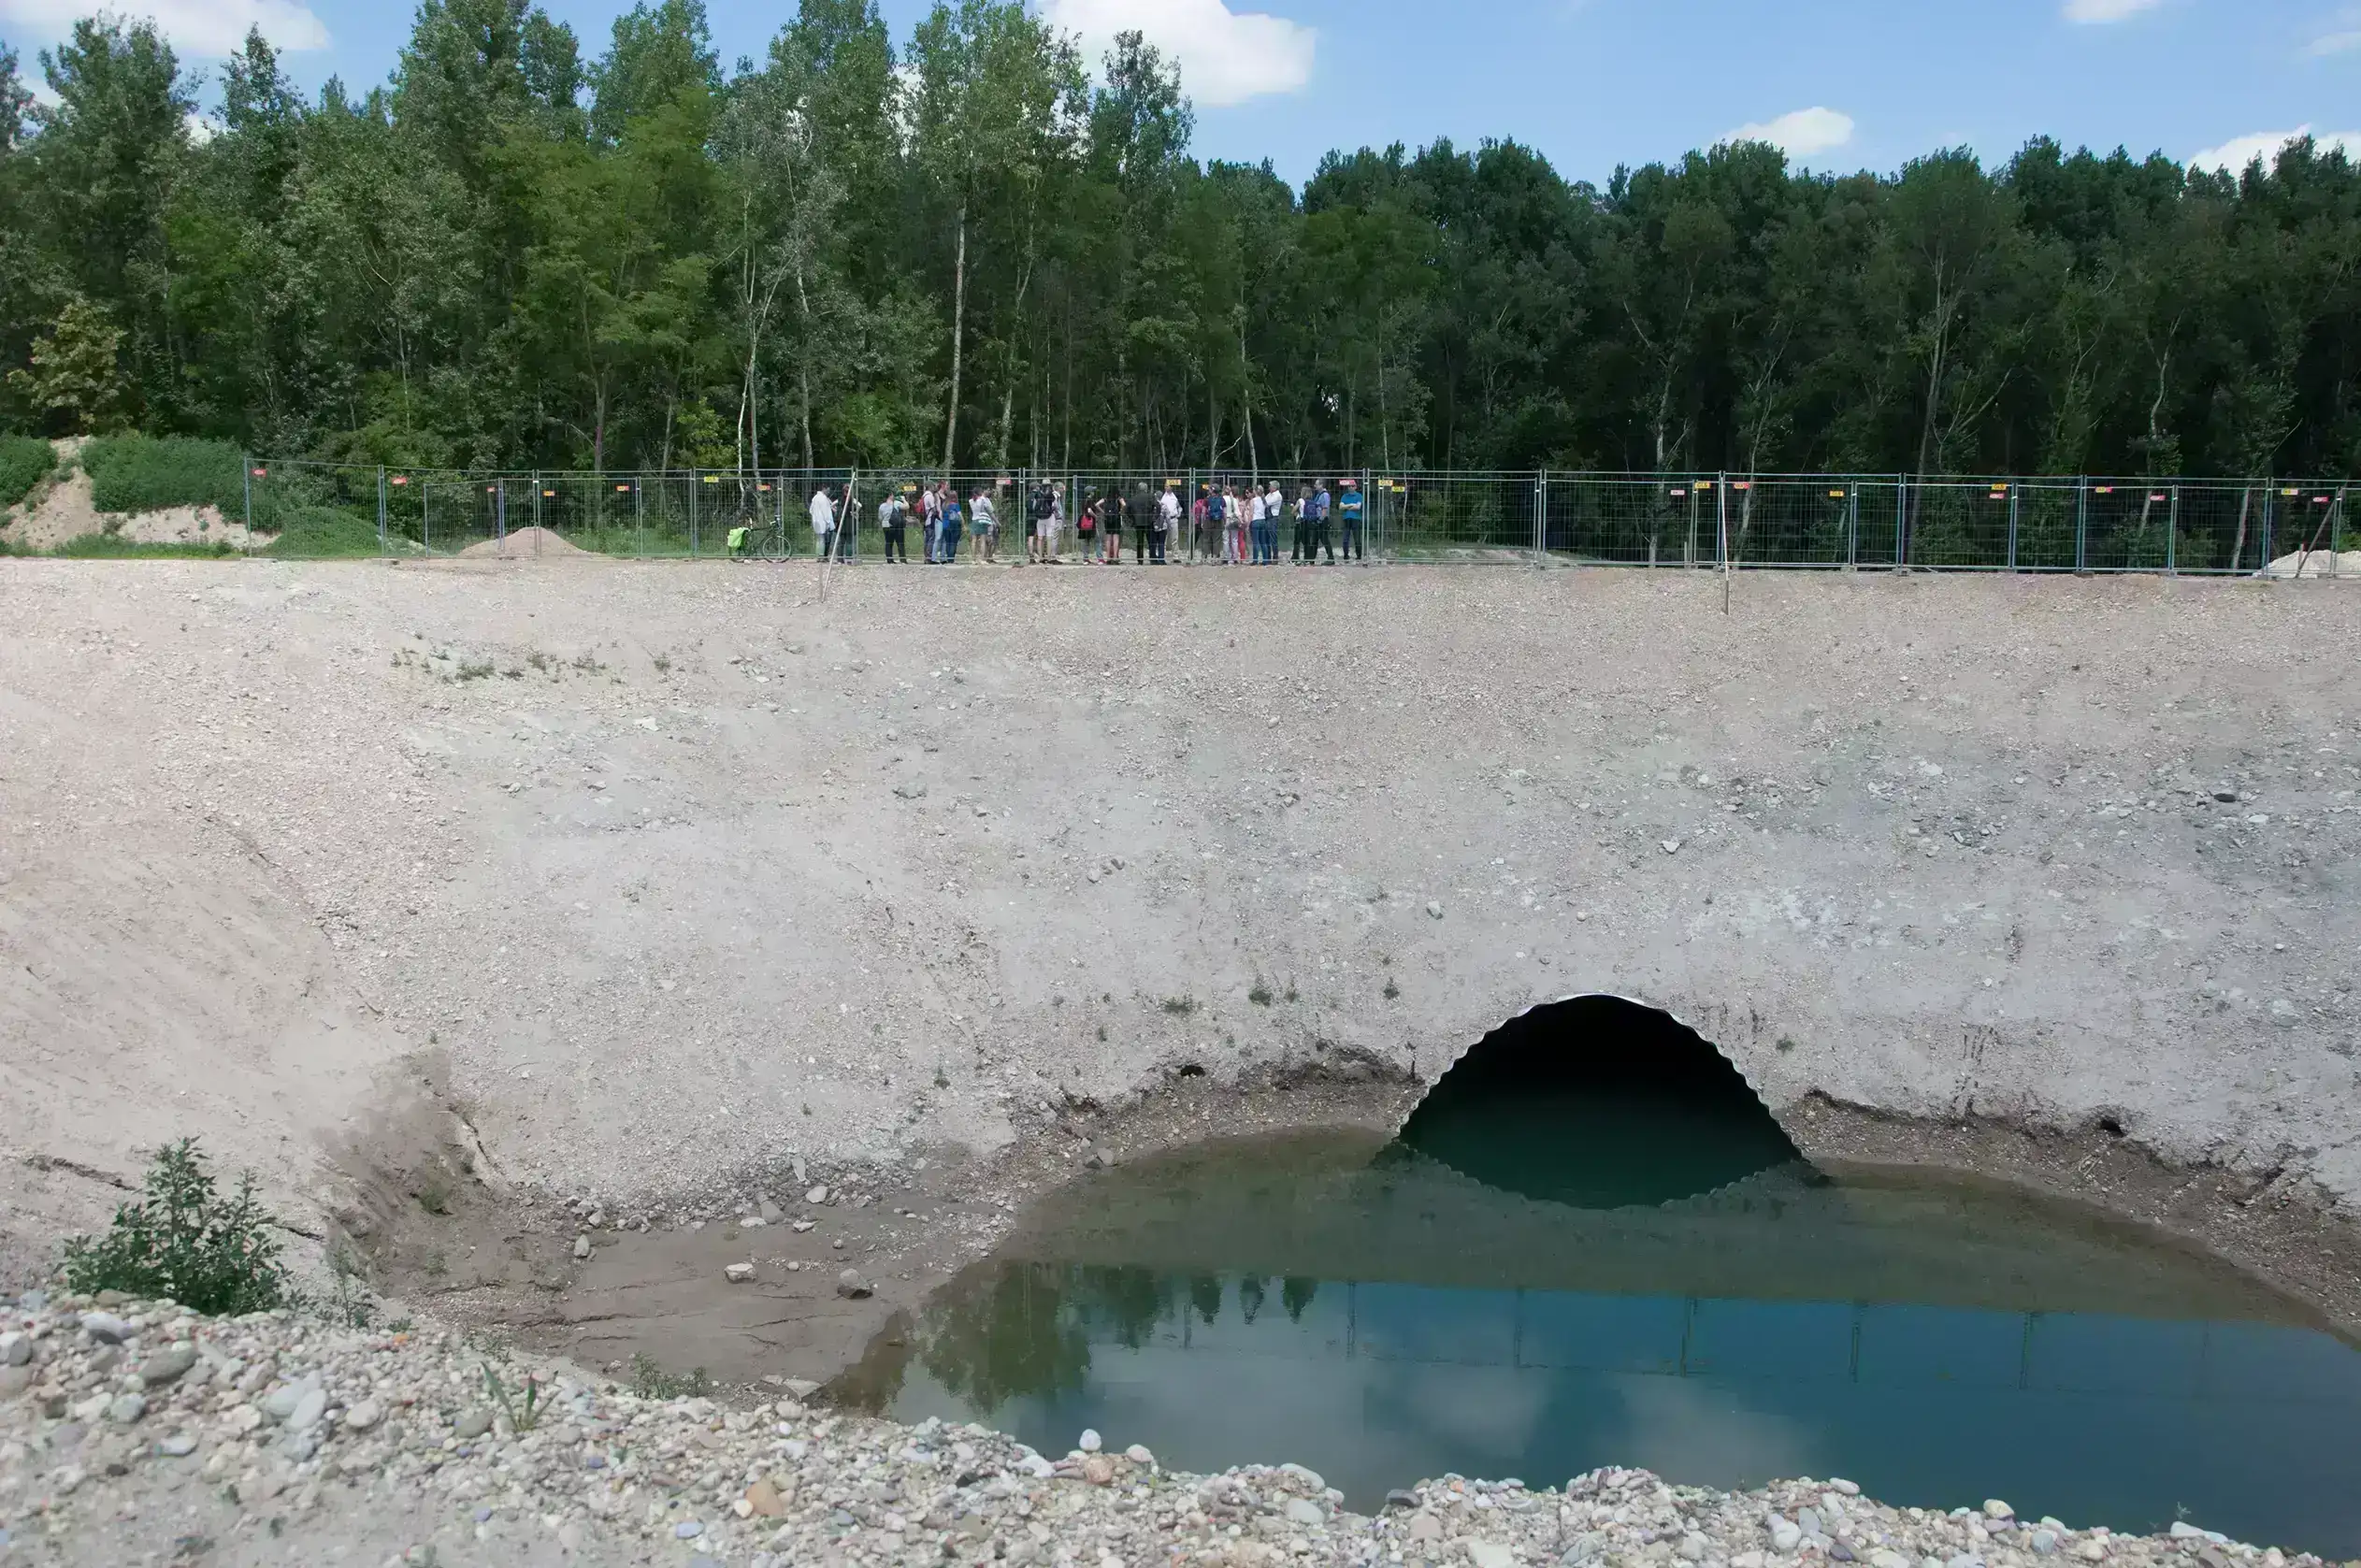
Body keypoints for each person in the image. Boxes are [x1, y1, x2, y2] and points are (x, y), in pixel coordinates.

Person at [808, 483, 837, 561]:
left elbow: (811, 510)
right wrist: (828, 522)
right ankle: (822, 557)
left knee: (819, 539)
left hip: (816, 522)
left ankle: (818, 556)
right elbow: (826, 512)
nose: (828, 492)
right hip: (824, 522)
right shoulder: (823, 498)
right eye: (828, 490)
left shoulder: (815, 498)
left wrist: (815, 517)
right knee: (824, 540)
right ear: (824, 488)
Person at [971, 485, 1000, 563]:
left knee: (974, 540)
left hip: (974, 520)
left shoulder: (971, 501)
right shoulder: (982, 500)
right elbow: (990, 511)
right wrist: (997, 522)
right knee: (983, 541)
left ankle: (973, 559)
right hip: (982, 521)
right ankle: (982, 559)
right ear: (980, 492)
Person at [1308, 478, 1333, 563]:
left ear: (1321, 485)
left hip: (1322, 521)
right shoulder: (1319, 495)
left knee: (1325, 540)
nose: (1314, 486)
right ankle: (1311, 559)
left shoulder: (1325, 495)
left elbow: (1325, 509)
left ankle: (1331, 558)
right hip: (1317, 520)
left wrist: (1320, 519)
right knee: (1314, 541)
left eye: (1316, 484)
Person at [878, 489, 907, 563]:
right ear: (890, 495)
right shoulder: (896, 503)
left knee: (888, 543)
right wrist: (904, 500)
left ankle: (890, 560)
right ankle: (903, 560)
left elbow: (880, 518)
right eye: (893, 495)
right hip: (897, 526)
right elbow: (907, 507)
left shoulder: (881, 506)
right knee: (900, 543)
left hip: (886, 526)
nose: (894, 496)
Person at [1339, 477, 1363, 562]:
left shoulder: (1359, 496)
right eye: (1349, 486)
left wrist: (1346, 507)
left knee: (1357, 539)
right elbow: (1340, 507)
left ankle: (1359, 556)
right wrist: (1351, 505)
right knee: (1345, 539)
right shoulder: (1344, 496)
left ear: (1355, 487)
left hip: (1356, 519)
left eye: (1352, 486)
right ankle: (1346, 555)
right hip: (1346, 519)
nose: (1350, 487)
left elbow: (1358, 507)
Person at [938, 485, 964, 563]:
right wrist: (963, 524)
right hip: (954, 526)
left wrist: (944, 521)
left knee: (948, 542)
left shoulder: (944, 505)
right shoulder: (955, 505)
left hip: (945, 526)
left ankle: (948, 557)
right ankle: (951, 559)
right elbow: (960, 515)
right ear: (955, 497)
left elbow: (940, 515)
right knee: (953, 542)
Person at [1155, 483, 1178, 564]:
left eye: (1167, 486)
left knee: (1174, 538)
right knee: (1163, 539)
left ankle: (1175, 556)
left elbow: (1178, 506)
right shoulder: (1162, 497)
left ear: (1171, 487)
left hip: (1173, 519)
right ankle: (1161, 556)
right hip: (1164, 520)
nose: (1165, 487)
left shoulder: (1175, 497)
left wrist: (1178, 513)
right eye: (1165, 486)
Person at [1075, 487, 1098, 561]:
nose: (1094, 492)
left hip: (1083, 522)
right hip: (1089, 522)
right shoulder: (1089, 500)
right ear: (1090, 492)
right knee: (1092, 540)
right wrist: (1096, 516)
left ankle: (1085, 557)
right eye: (1093, 491)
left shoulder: (1084, 500)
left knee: (1085, 540)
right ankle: (1086, 557)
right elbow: (1089, 510)